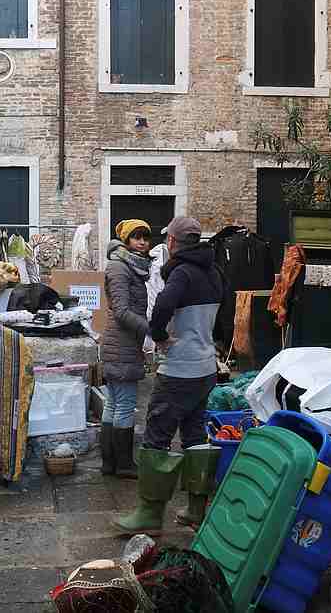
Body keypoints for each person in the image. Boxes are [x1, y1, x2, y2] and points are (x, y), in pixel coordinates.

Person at [113, 216, 224, 534]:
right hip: (205, 367)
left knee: (157, 436)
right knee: (195, 437)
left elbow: (163, 304)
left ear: (173, 242)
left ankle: (149, 513)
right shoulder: (214, 271)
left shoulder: (182, 273)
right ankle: (196, 509)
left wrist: (158, 334)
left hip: (179, 369)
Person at [100, 219, 153, 479]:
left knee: (113, 403)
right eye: (136, 237)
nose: (142, 241)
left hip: (121, 344)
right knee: (124, 406)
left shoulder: (129, 266)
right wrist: (152, 330)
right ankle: (123, 464)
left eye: (145, 237)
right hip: (120, 344)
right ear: (125, 240)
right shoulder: (120, 268)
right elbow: (121, 311)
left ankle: (109, 464)